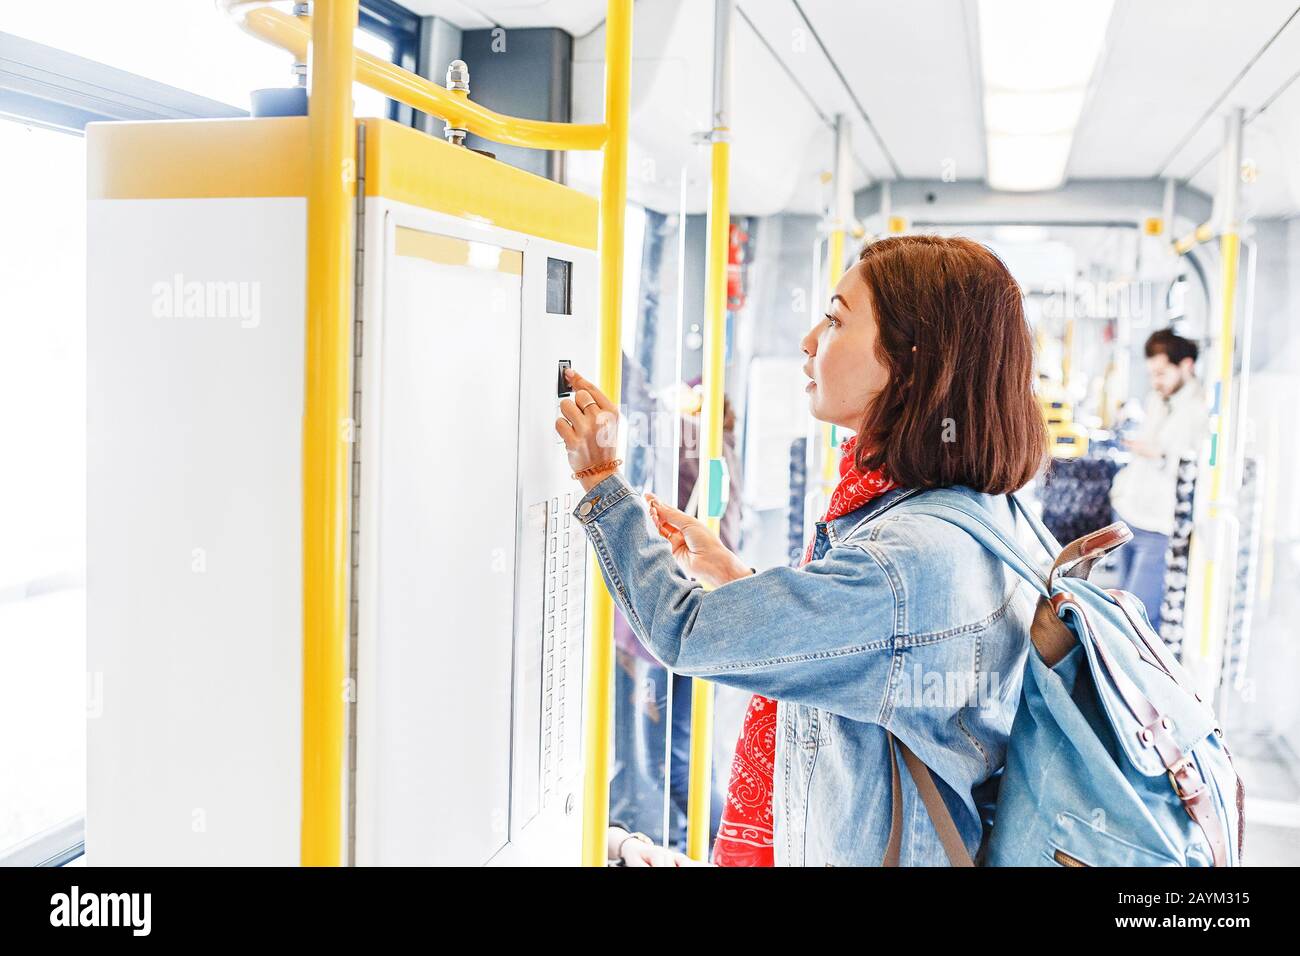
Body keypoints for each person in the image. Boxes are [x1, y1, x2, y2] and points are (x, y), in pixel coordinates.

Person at [555, 235, 1047, 866]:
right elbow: (879, 644)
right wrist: (735, 575)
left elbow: (685, 631)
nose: (810, 340)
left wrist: (601, 482)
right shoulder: (985, 516)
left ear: (912, 362)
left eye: (837, 318)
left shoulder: (904, 562)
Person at [1109, 329, 1209, 631]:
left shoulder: (1201, 410)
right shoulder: (1156, 399)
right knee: (1118, 605)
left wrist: (1158, 453)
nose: (1156, 381)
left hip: (1158, 527)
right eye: (1152, 374)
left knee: (1137, 617)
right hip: (1128, 513)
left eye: (1162, 373)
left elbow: (1193, 467)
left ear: (1186, 366)